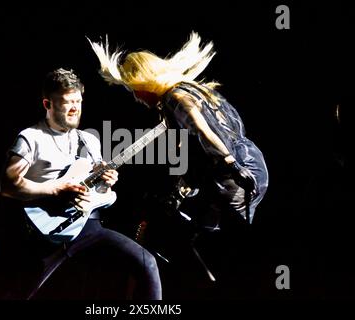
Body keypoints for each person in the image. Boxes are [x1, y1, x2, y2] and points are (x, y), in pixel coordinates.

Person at [89, 32, 269, 297]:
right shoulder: (197, 90)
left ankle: (200, 288)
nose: (137, 97)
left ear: (145, 82)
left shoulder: (175, 97)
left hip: (231, 177)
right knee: (184, 231)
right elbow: (199, 139)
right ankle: (210, 282)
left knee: (162, 229)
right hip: (254, 167)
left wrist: (230, 163)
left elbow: (200, 127)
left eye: (134, 90)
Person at [0, 68, 162, 300]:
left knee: (147, 263)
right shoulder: (31, 138)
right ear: (47, 104)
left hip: (88, 227)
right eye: (67, 102)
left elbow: (100, 192)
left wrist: (106, 183)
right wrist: (55, 189)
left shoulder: (89, 140)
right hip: (44, 234)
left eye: (78, 101)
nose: (75, 108)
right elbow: (7, 185)